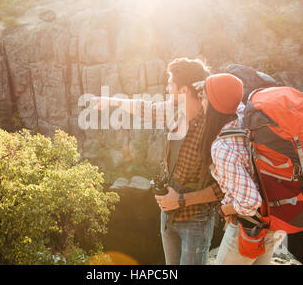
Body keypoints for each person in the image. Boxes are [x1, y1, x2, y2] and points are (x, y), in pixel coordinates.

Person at [92, 58, 224, 265]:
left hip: (195, 220)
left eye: (170, 84)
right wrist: (111, 101)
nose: (166, 88)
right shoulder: (175, 112)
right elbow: (145, 107)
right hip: (168, 214)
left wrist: (180, 200)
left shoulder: (213, 128)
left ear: (184, 91)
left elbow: (221, 190)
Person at [200, 73, 279, 265]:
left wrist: (226, 208)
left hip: (247, 229)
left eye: (203, 96)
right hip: (271, 224)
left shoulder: (222, 147)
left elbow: (250, 202)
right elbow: (229, 95)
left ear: (213, 104)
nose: (201, 101)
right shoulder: (246, 117)